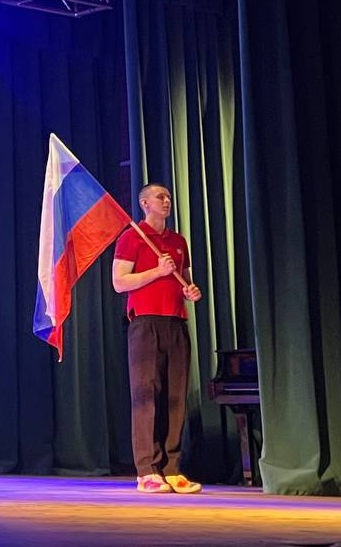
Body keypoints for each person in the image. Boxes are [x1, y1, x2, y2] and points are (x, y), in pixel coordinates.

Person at [112, 182, 203, 494]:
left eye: (168, 197)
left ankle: (172, 468)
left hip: (175, 321)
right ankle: (147, 471)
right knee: (145, 396)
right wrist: (157, 272)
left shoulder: (178, 241)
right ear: (144, 203)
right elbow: (119, 283)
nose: (166, 201)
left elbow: (184, 280)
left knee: (175, 397)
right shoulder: (131, 237)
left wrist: (190, 291)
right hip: (145, 323)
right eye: (159, 197)